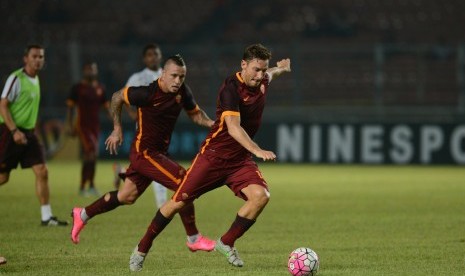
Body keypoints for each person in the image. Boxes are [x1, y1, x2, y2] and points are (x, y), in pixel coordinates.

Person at [125, 44, 291, 271]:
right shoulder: (230, 89)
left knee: (261, 196)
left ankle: (226, 242)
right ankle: (142, 248)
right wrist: (256, 149)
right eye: (256, 69)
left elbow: (272, 73)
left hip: (238, 161)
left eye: (263, 70)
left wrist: (281, 68)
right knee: (177, 203)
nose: (260, 75)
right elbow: (233, 127)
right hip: (212, 158)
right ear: (243, 65)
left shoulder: (262, 80)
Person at [70, 55, 216, 255]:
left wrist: (212, 124)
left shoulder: (182, 91)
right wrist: (117, 128)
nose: (177, 81)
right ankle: (194, 238)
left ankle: (82, 214)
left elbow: (195, 114)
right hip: (144, 153)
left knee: (126, 196)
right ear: (163, 74)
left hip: (158, 154)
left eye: (181, 77)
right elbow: (116, 97)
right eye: (173, 76)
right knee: (185, 181)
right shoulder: (147, 93)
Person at [0, 45, 68, 226]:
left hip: (29, 134)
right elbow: (3, 104)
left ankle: (47, 217)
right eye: (34, 56)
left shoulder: (35, 79)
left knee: (42, 171)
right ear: (26, 58)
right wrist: (14, 131)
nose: (38, 59)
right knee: (3, 177)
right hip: (9, 131)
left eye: (41, 57)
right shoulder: (16, 78)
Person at [113, 43, 168, 209]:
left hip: (163, 128)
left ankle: (123, 171)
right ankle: (162, 206)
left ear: (160, 56)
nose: (153, 57)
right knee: (159, 165)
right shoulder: (137, 77)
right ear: (145, 59)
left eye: (156, 54)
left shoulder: (167, 76)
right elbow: (121, 97)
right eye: (150, 55)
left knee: (147, 167)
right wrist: (131, 114)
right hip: (145, 128)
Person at [66, 62, 110, 196]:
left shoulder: (101, 88)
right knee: (90, 153)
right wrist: (70, 125)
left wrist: (114, 120)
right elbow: (70, 108)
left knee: (92, 156)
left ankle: (90, 185)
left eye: (93, 69)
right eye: (88, 69)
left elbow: (106, 107)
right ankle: (82, 187)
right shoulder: (77, 88)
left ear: (96, 71)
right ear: (84, 71)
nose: (91, 72)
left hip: (95, 127)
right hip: (82, 125)